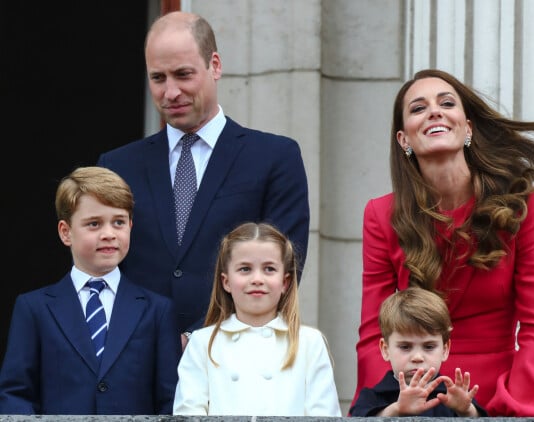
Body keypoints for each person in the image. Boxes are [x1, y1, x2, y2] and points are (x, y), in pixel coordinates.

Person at [352, 69, 534, 417]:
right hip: (416, 391)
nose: (434, 112)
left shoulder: (520, 204)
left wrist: (520, 408)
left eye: (446, 103)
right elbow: (373, 331)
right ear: (404, 139)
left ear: (467, 127)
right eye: (418, 108)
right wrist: (389, 406)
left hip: (497, 396)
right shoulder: (381, 215)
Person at [96, 11, 310, 346]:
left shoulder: (275, 157)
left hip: (238, 357)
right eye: (158, 78)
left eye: (183, 75)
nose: (170, 92)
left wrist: (200, 336)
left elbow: (284, 264)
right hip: (137, 361)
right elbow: (100, 265)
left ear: (215, 66)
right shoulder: (117, 166)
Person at [0, 166, 181, 414]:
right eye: (94, 224)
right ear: (66, 232)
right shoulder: (34, 308)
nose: (108, 234)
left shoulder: (158, 310)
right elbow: (15, 393)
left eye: (118, 222)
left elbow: (169, 399)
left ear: (130, 225)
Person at [172, 222, 341, 416]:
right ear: (226, 282)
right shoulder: (202, 343)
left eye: (269, 269)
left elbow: (324, 416)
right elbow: (189, 413)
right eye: (245, 269)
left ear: (285, 282)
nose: (257, 279)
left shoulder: (309, 342)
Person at [350, 287, 487, 417]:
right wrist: (396, 409)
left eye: (428, 347)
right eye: (405, 347)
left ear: (445, 350)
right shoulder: (372, 397)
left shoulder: (453, 396)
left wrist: (467, 411)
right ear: (385, 349)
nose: (417, 357)